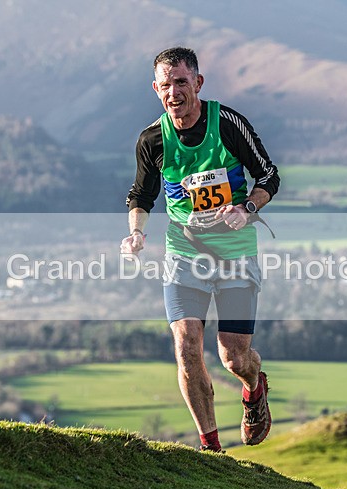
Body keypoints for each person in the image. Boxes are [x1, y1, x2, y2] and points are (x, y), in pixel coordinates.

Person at [121, 47, 280, 452]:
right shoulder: (152, 139)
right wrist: (137, 233)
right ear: (155, 89)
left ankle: (254, 387)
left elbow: (269, 175)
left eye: (181, 82)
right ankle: (211, 448)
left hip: (236, 251)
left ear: (198, 84)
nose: (173, 92)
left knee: (233, 358)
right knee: (186, 343)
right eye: (165, 84)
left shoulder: (226, 124)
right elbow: (142, 194)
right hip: (184, 252)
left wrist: (246, 208)